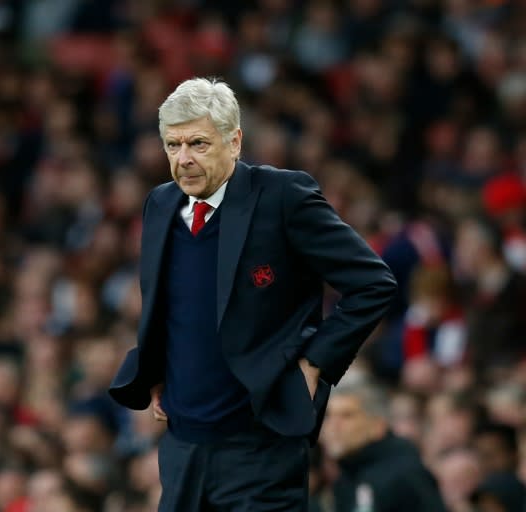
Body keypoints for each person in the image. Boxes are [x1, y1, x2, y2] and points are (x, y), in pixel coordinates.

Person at [108, 77, 396, 511]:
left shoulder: (282, 197)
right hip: (183, 447)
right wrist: (157, 369)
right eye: (173, 145)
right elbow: (170, 306)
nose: (183, 159)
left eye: (199, 144)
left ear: (235, 141)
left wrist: (317, 362)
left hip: (260, 448)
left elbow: (373, 283)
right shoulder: (161, 204)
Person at [322, 381, 446, 512]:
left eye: (347, 416)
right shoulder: (346, 478)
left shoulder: (405, 475)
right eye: (328, 416)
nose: (333, 426)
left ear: (378, 425)